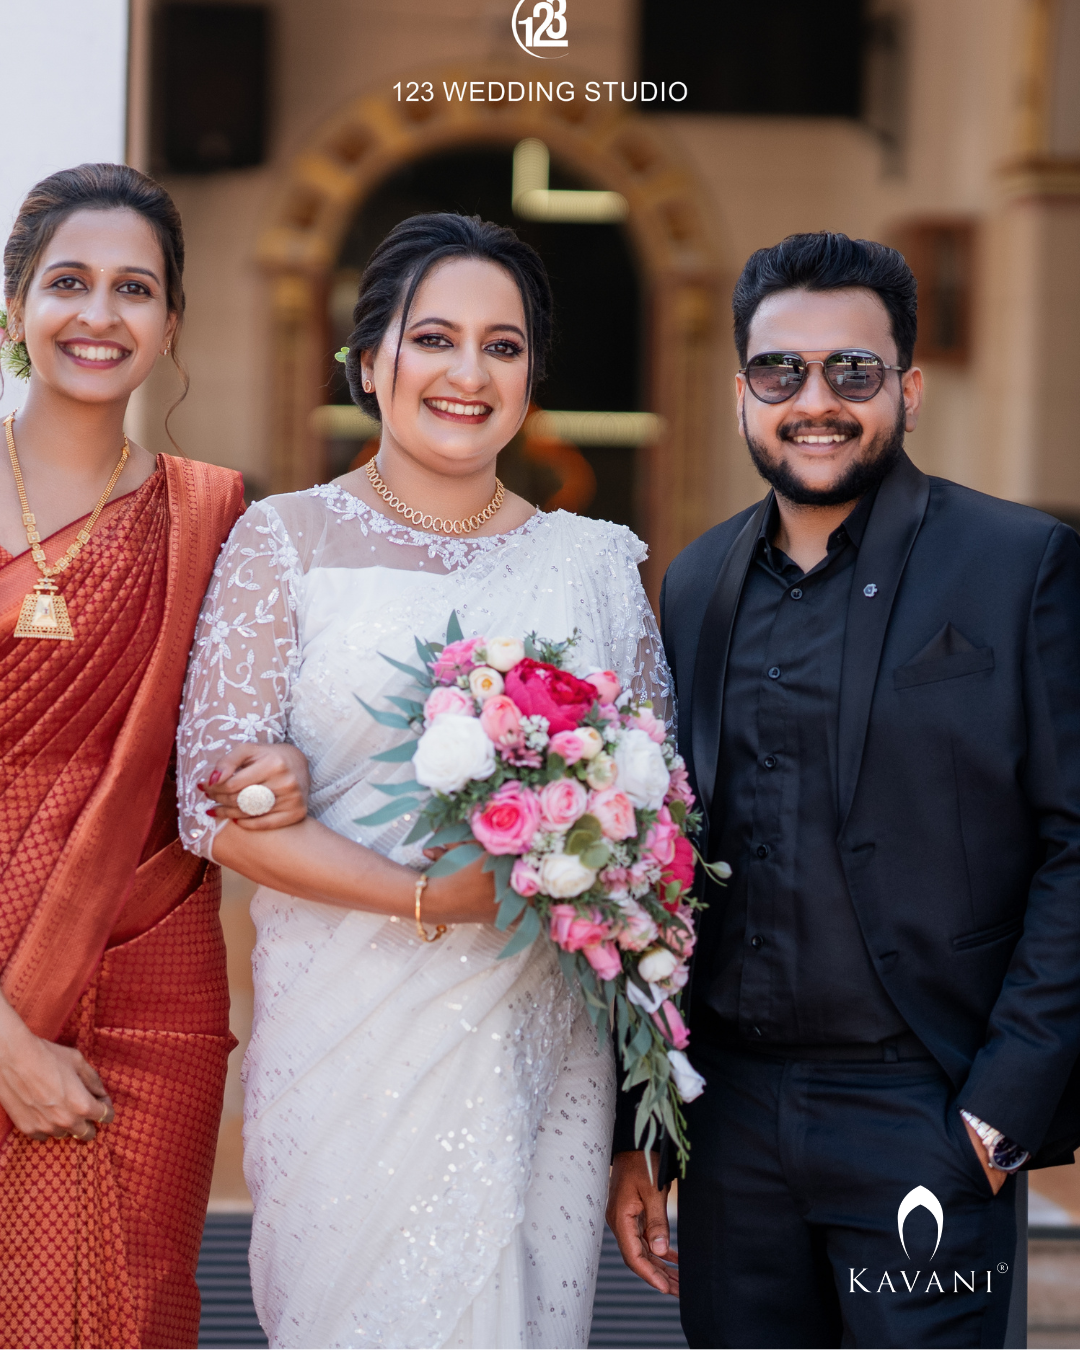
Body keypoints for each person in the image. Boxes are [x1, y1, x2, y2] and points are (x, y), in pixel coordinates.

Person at [175, 211, 669, 1350]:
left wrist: (644, 1124)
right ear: (368, 361)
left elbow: (653, 849)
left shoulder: (594, 564)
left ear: (534, 376)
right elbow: (216, 813)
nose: (467, 371)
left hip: (542, 1046)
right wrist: (422, 898)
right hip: (348, 1044)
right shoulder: (282, 542)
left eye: (503, 347)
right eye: (434, 336)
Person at [606, 232, 1080, 1349]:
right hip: (730, 1121)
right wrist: (651, 1125)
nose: (815, 402)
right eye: (782, 373)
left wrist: (1000, 1105)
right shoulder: (694, 581)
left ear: (907, 389)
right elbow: (660, 858)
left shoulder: (1021, 565)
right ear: (741, 395)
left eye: (853, 373)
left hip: (923, 1111)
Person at [0, 164, 250, 1348]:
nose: (99, 315)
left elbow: (236, 740)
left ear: (171, 325)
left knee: (128, 1310)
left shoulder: (214, 518)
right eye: (68, 283)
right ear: (14, 309)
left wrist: (276, 771)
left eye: (134, 289)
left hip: (146, 986)